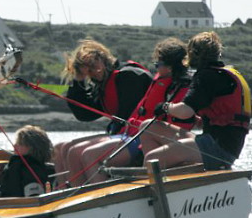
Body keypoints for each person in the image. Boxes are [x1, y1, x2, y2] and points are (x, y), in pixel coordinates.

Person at [77, 37, 196, 184]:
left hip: (141, 139)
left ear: (170, 66)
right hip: (131, 134)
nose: (156, 67)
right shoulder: (161, 81)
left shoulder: (181, 87)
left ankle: (100, 202)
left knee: (89, 155)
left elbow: (180, 121)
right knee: (69, 151)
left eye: (158, 64)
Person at [140, 31, 250, 170]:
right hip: (219, 143)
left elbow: (185, 111)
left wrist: (165, 107)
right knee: (148, 126)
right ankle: (164, 175)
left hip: (218, 149)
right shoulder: (223, 75)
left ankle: (154, 186)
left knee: (152, 158)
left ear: (193, 53)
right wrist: (201, 120)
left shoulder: (206, 76)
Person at [53, 39, 152, 185]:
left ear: (102, 59)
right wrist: (78, 81)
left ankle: (92, 198)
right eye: (87, 71)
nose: (93, 73)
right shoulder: (103, 85)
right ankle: (65, 195)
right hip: (122, 135)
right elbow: (85, 114)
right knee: (61, 148)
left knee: (79, 152)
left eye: (93, 67)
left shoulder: (129, 76)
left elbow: (129, 115)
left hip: (139, 136)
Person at [0, 125, 55, 197]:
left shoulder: (21, 167)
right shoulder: (45, 168)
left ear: (32, 147)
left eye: (20, 144)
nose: (14, 146)